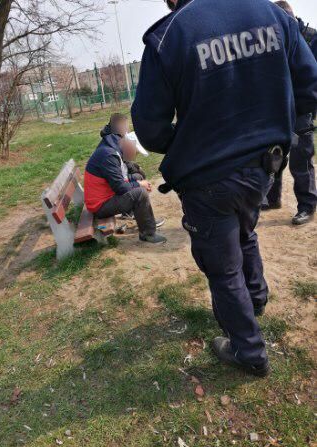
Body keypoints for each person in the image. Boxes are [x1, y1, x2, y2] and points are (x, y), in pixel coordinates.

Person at [132, 0, 317, 377]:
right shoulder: (272, 13)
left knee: (223, 268)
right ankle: (257, 298)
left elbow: (150, 129)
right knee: (245, 230)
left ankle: (248, 351)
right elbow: (310, 84)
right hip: (265, 164)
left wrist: (189, 138)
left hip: (208, 176)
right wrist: (272, 118)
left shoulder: (170, 36)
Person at [262, 1, 317, 225]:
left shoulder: (311, 38)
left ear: (291, 18)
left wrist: (306, 107)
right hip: (276, 109)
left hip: (301, 109)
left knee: (300, 159)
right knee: (272, 156)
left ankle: (307, 205)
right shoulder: (270, 40)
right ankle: (272, 198)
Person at [84, 115, 166, 244]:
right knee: (140, 193)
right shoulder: (109, 155)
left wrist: (138, 180)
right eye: (136, 152)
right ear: (129, 145)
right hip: (99, 206)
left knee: (138, 178)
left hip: (106, 196)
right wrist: (139, 184)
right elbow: (120, 187)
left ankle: (144, 217)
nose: (135, 156)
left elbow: (120, 178)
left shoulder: (114, 148)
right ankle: (148, 234)